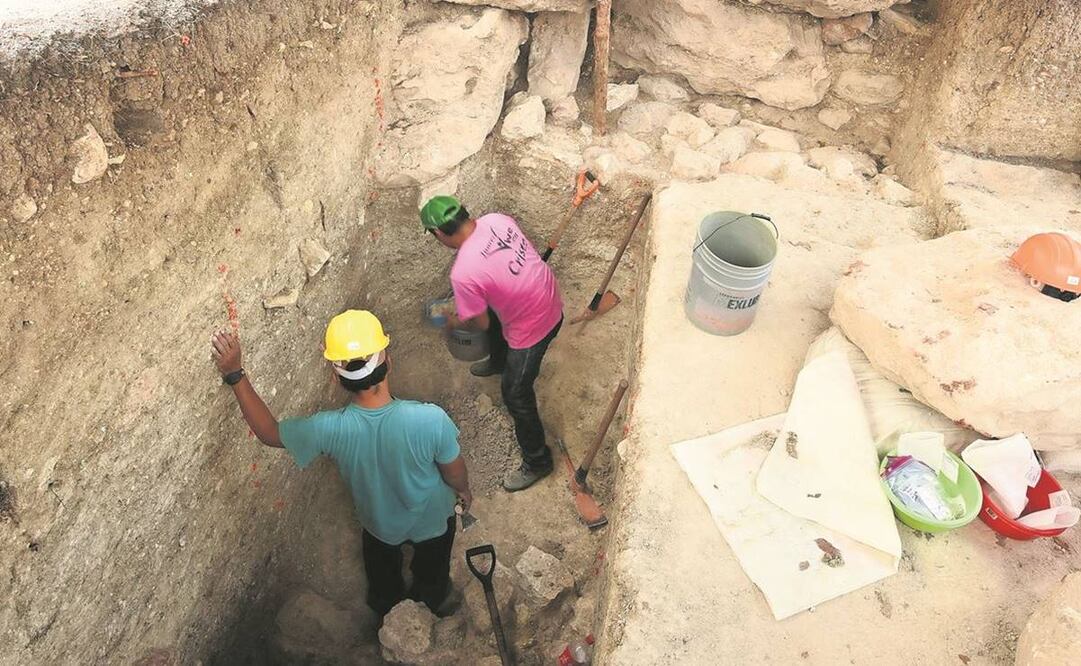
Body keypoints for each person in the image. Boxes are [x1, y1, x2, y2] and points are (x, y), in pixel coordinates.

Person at [209, 309, 471, 618]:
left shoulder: (329, 429)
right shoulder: (430, 419)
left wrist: (235, 374)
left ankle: (387, 610)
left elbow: (268, 432)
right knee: (432, 569)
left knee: (382, 575)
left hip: (380, 526)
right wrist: (464, 491)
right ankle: (432, 599)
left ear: (336, 378)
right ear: (388, 363)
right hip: (432, 520)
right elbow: (454, 472)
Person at [421, 195, 563, 492]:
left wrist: (451, 319)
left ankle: (538, 461)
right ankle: (499, 361)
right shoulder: (496, 220)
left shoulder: (463, 272)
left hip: (535, 327)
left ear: (438, 234)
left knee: (515, 393)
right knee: (494, 307)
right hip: (548, 295)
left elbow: (479, 324)